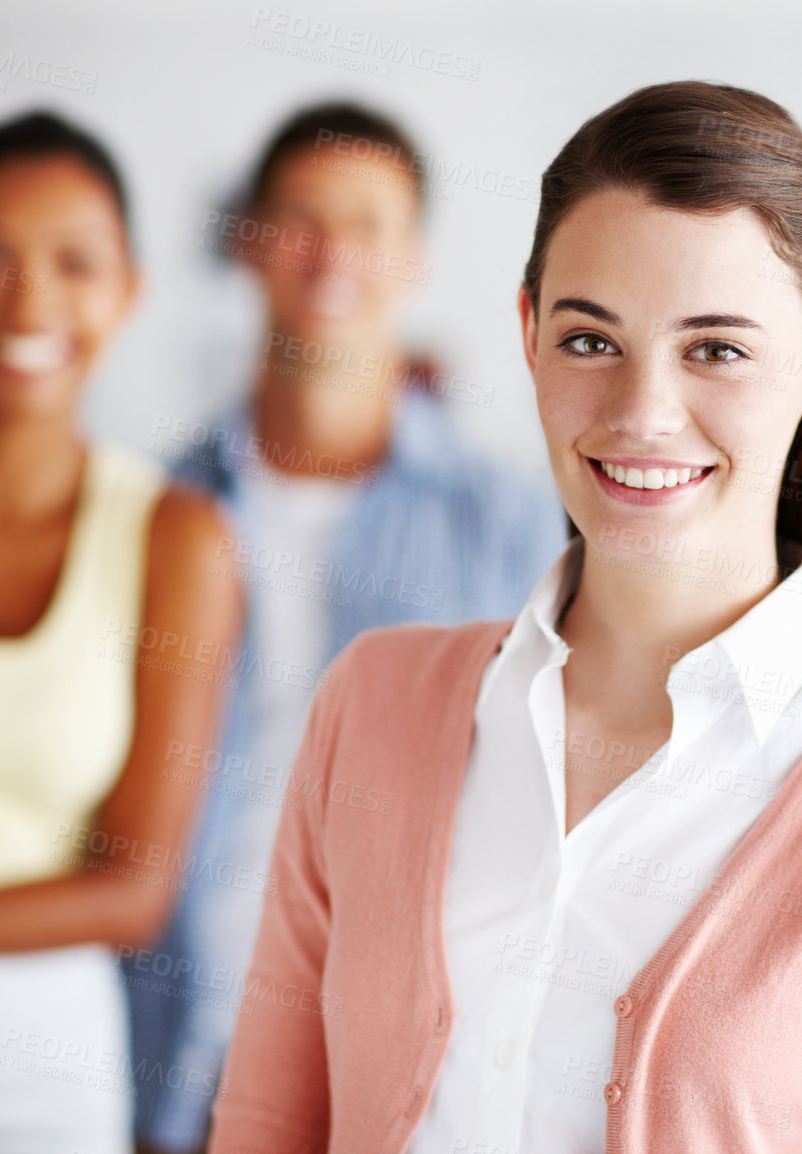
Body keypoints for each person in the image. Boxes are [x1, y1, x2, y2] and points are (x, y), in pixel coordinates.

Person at [207, 81, 802, 1153]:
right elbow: (263, 1128)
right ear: (528, 331)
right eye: (589, 340)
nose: (641, 413)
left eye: (714, 348)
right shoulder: (372, 700)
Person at [126, 103, 565, 1154]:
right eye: (300, 219)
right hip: (170, 1052)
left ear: (414, 260)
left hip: (407, 1080)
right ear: (247, 240)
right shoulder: (155, 506)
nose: (332, 256)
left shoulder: (515, 524)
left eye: (367, 225)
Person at [0, 112, 239, 1151]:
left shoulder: (177, 538)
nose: (31, 300)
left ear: (128, 292)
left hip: (48, 1085)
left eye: (76, 262)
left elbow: (135, 889)